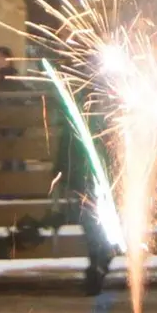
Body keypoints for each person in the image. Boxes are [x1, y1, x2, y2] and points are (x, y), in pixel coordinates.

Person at [53, 88, 116, 296]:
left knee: (95, 225)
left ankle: (98, 265)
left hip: (96, 179)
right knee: (93, 224)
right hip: (89, 179)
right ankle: (98, 265)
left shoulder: (92, 118)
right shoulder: (84, 118)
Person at [0, 46, 29, 172]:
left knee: (11, 155)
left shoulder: (6, 78)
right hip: (11, 122)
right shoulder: (9, 77)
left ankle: (12, 185)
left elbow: (2, 99)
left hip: (9, 122)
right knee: (13, 155)